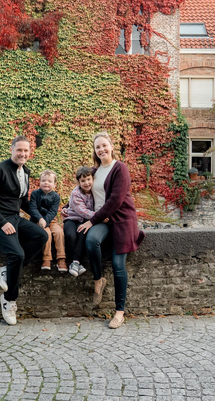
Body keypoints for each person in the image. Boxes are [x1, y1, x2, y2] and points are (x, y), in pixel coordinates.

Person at [77, 131, 145, 329]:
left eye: (104, 145)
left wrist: (92, 220)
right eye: (97, 147)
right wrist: (69, 207)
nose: (101, 149)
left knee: (117, 265)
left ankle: (119, 312)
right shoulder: (95, 171)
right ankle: (98, 279)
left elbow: (116, 199)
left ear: (112, 146)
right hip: (103, 220)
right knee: (91, 241)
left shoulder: (120, 168)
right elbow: (82, 190)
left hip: (121, 221)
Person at [0, 136, 48, 326]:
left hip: (14, 218)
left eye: (26, 151)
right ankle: (9, 300)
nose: (23, 154)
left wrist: (39, 217)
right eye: (19, 150)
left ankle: (7, 271)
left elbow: (23, 201)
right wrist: (2, 223)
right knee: (17, 254)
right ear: (11, 150)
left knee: (41, 236)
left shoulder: (25, 172)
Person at [28, 169, 66, 272]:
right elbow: (33, 209)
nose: (46, 183)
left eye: (49, 181)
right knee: (46, 233)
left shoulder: (56, 197)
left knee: (59, 232)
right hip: (37, 220)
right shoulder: (35, 194)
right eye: (44, 180)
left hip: (50, 219)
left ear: (54, 184)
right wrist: (40, 219)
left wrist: (46, 220)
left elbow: (53, 211)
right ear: (39, 182)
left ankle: (61, 258)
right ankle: (47, 258)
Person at [62, 166, 94, 277]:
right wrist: (99, 216)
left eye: (89, 179)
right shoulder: (76, 193)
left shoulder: (95, 191)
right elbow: (83, 211)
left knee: (82, 232)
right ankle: (72, 261)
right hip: (71, 218)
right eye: (83, 181)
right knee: (71, 235)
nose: (86, 183)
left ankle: (76, 262)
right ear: (78, 182)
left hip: (84, 221)